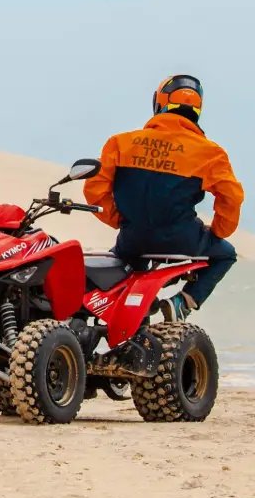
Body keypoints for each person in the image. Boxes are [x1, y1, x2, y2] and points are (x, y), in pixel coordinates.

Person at [82, 75, 243, 317]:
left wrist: (119, 220)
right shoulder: (210, 153)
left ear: (159, 103)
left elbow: (95, 189)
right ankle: (184, 301)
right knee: (226, 254)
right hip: (184, 240)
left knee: (121, 267)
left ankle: (126, 317)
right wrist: (218, 232)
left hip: (133, 239)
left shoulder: (121, 143)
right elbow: (231, 197)